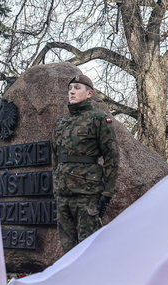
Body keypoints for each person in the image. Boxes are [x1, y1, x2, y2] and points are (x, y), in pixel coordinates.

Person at [51, 74, 119, 253]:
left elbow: (111, 157)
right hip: (64, 194)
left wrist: (107, 192)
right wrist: (55, 187)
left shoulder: (99, 119)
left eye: (77, 88)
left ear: (89, 94)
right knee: (67, 251)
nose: (72, 92)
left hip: (87, 194)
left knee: (87, 250)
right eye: (70, 88)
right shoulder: (61, 122)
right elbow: (55, 157)